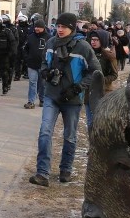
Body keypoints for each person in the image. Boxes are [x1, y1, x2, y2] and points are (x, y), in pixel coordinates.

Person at [30, 12, 99, 187]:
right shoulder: (51, 42)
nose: (60, 30)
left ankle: (66, 169)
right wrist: (46, 72)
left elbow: (95, 72)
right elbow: (44, 62)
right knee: (45, 132)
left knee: (69, 136)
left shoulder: (83, 47)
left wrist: (79, 87)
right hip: (51, 96)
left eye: (64, 27)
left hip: (72, 99)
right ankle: (42, 173)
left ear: (71, 27)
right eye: (58, 26)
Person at [84, 29, 118, 130]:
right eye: (92, 39)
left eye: (96, 40)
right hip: (88, 93)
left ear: (102, 41)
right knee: (90, 123)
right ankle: (92, 144)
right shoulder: (87, 54)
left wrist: (101, 80)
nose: (93, 42)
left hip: (104, 92)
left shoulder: (109, 56)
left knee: (101, 123)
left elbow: (114, 75)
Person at [22, 19, 50, 108]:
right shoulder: (30, 37)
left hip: (43, 65)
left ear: (43, 28)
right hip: (32, 64)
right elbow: (24, 48)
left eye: (39, 27)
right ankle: (31, 101)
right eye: (36, 27)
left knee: (42, 84)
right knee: (32, 83)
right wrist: (27, 58)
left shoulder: (48, 38)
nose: (37, 28)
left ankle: (42, 100)